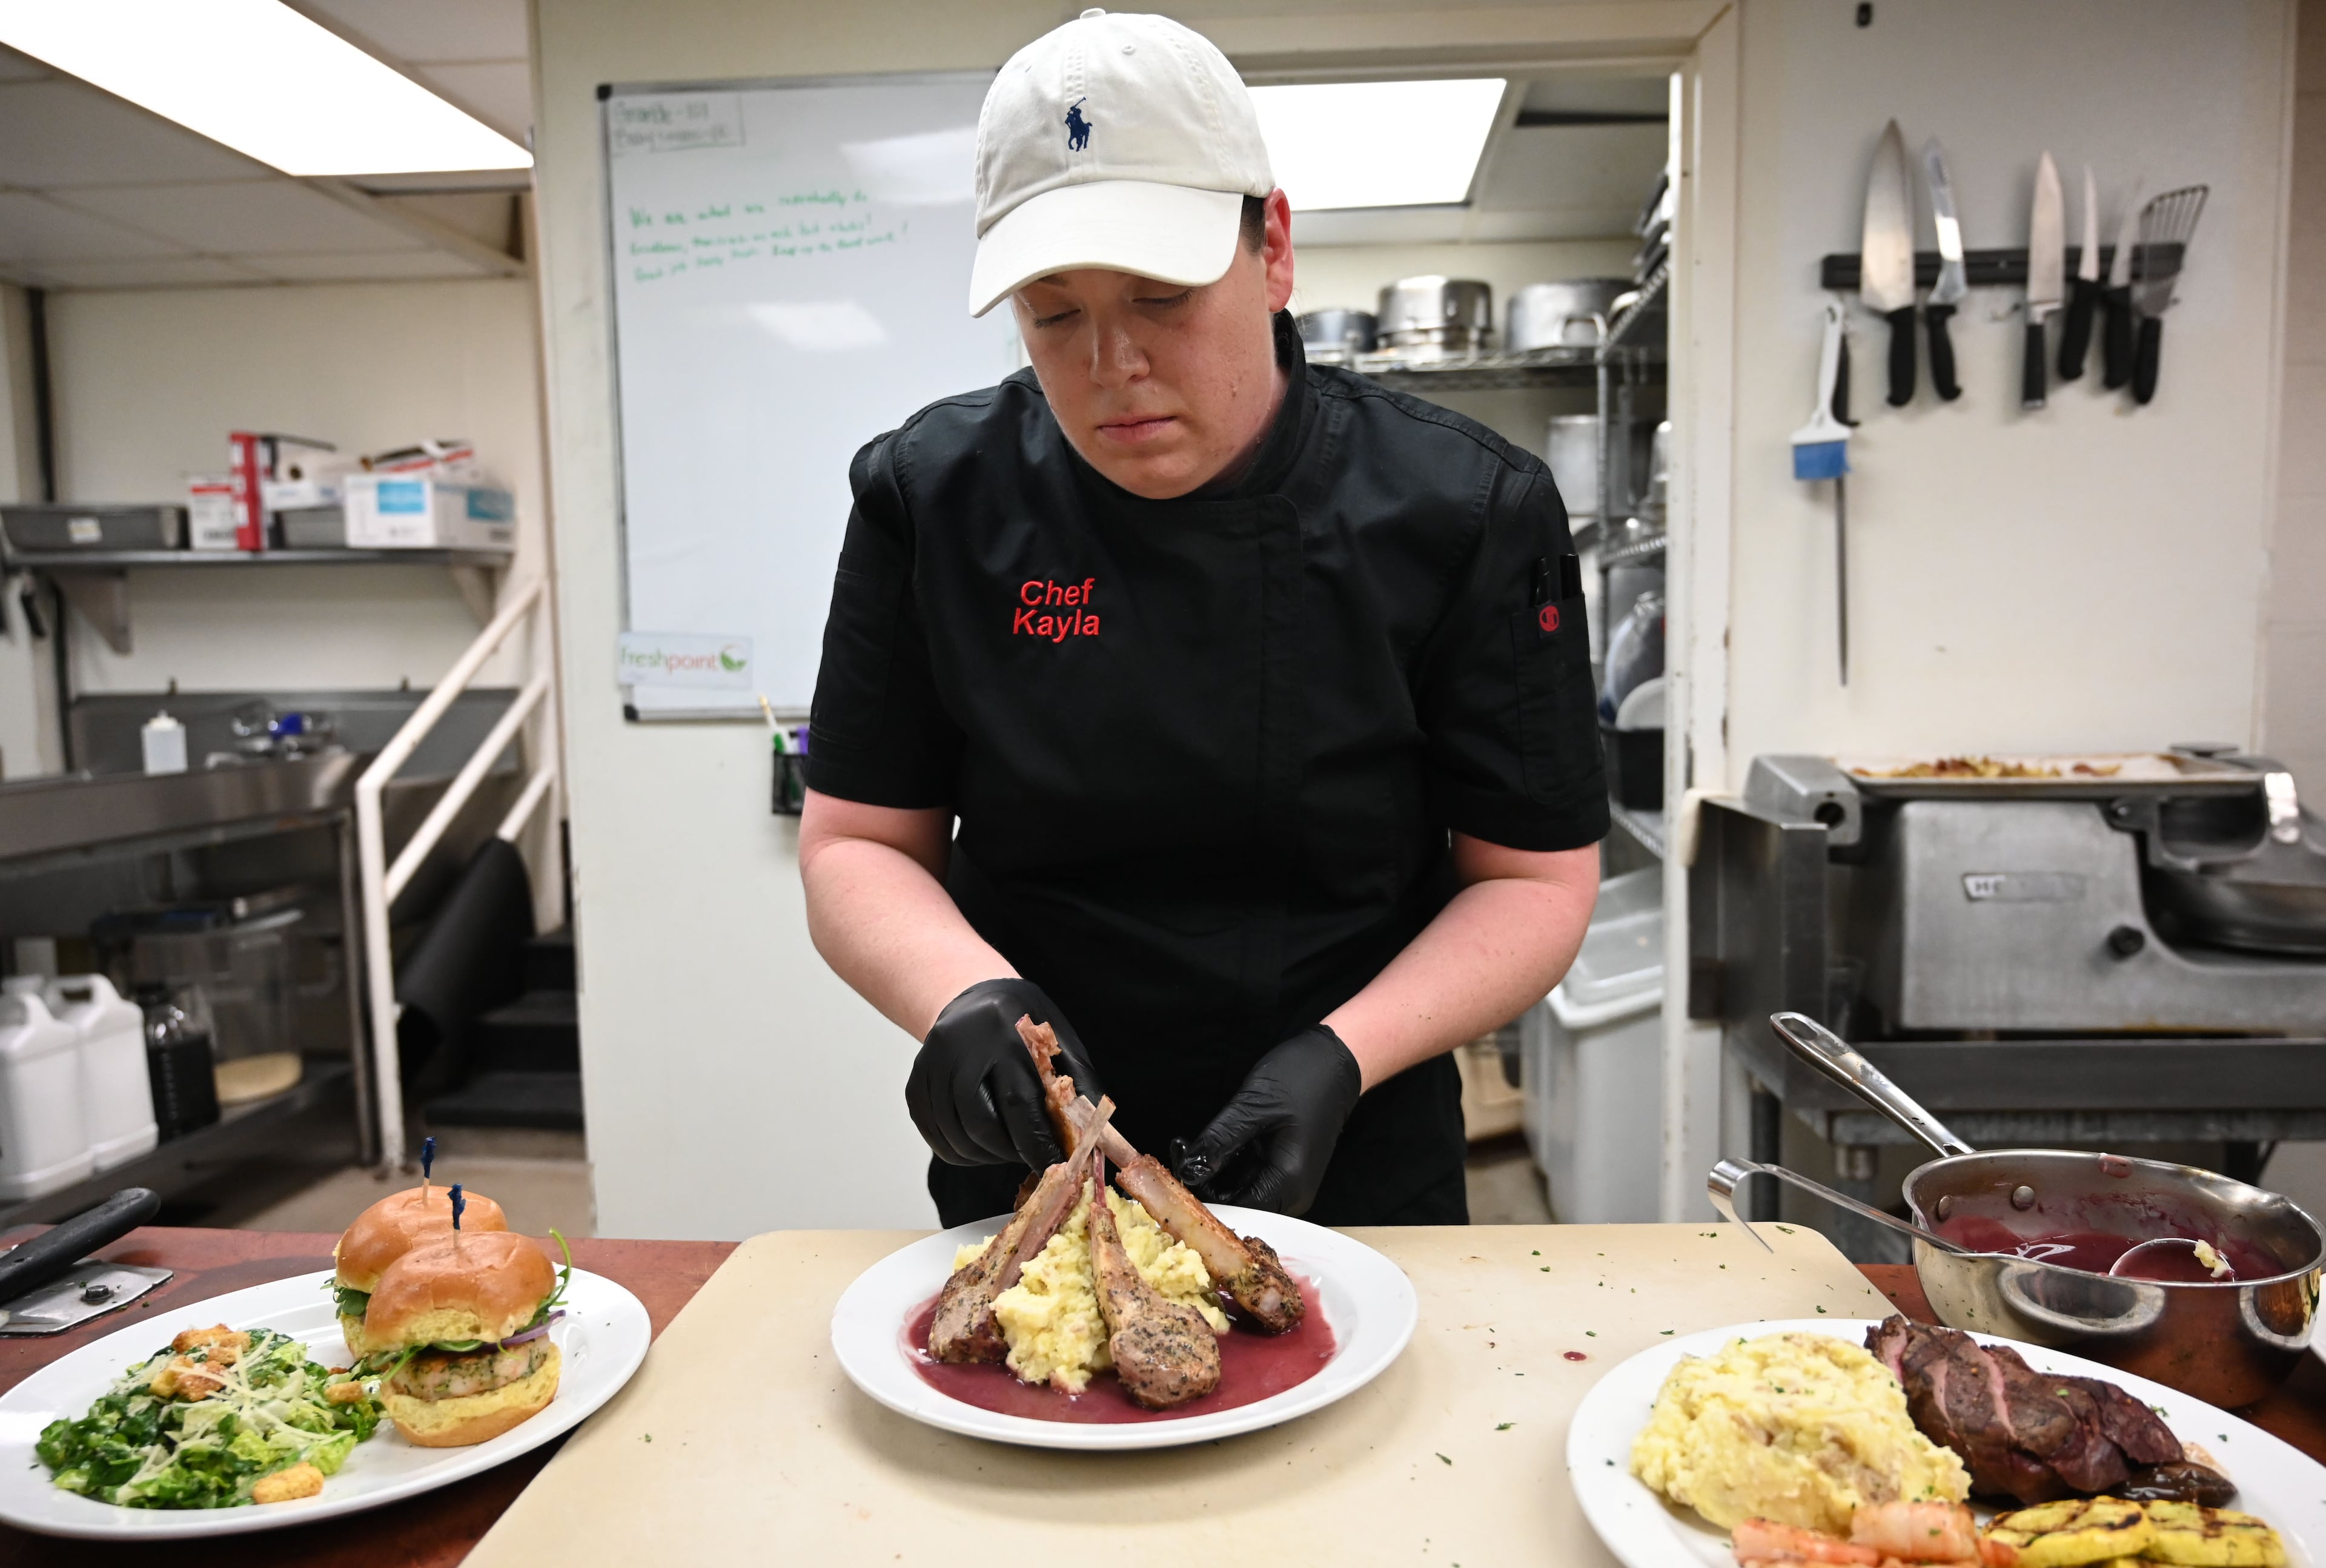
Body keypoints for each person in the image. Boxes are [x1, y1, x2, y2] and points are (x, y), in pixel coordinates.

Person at [800, 9, 1605, 1228]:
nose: (1112, 363)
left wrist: (1340, 1056)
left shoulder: (1465, 511)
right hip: (1036, 1154)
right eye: (1052, 311)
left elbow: (1536, 879)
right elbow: (858, 842)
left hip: (1354, 1145)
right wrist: (963, 997)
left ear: (1272, 247)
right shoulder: (934, 499)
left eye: (1163, 296)